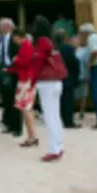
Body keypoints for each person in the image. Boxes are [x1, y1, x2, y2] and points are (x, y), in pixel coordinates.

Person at [33, 16, 66, 162]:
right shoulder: (51, 41)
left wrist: (33, 79)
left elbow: (39, 61)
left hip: (46, 82)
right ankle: (58, 145)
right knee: (55, 115)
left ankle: (54, 149)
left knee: (49, 116)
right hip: (56, 81)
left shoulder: (41, 42)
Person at [11, 28, 38, 147]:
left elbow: (26, 63)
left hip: (26, 79)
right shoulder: (27, 45)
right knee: (27, 108)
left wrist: (16, 60)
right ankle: (31, 135)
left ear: (18, 37)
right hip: (27, 78)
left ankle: (31, 136)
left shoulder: (26, 46)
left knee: (26, 108)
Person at [0, 18, 21, 137]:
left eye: (1, 26)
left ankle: (17, 126)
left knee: (14, 99)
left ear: (7, 26)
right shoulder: (1, 39)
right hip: (3, 70)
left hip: (13, 71)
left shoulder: (14, 38)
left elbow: (17, 53)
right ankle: (9, 124)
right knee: (6, 99)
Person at [55, 29, 80, 129]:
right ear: (65, 37)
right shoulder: (68, 48)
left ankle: (60, 119)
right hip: (68, 77)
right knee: (68, 101)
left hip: (57, 78)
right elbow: (74, 63)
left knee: (59, 100)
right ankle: (68, 121)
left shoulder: (54, 48)